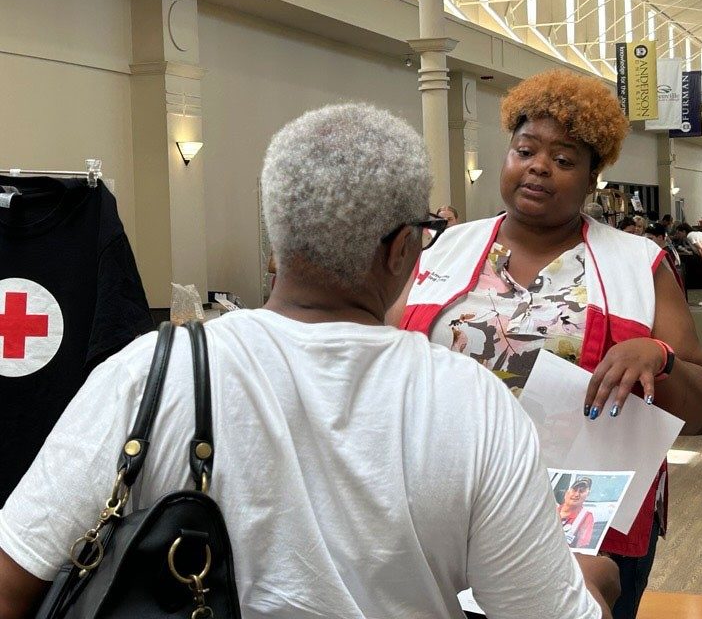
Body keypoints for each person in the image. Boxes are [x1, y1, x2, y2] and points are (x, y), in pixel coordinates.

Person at [0, 104, 619, 619]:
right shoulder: (474, 404)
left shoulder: (150, 374)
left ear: (276, 235)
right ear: (405, 249)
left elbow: (14, 574)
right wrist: (594, 582)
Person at [390, 69, 702, 619]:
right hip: (449, 503)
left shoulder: (639, 265)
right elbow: (386, 357)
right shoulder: (442, 252)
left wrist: (657, 358)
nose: (539, 166)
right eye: (525, 150)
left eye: (564, 160)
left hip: (582, 516)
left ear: (593, 180)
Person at [645, 222, 684, 293]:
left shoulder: (666, 252)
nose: (647, 242)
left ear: (660, 237)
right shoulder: (665, 249)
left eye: (650, 239)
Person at [558, 477, 595, 550]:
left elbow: (581, 547)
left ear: (587, 495)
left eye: (581, 491)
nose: (577, 494)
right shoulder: (552, 509)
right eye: (574, 490)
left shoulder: (586, 517)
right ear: (566, 493)